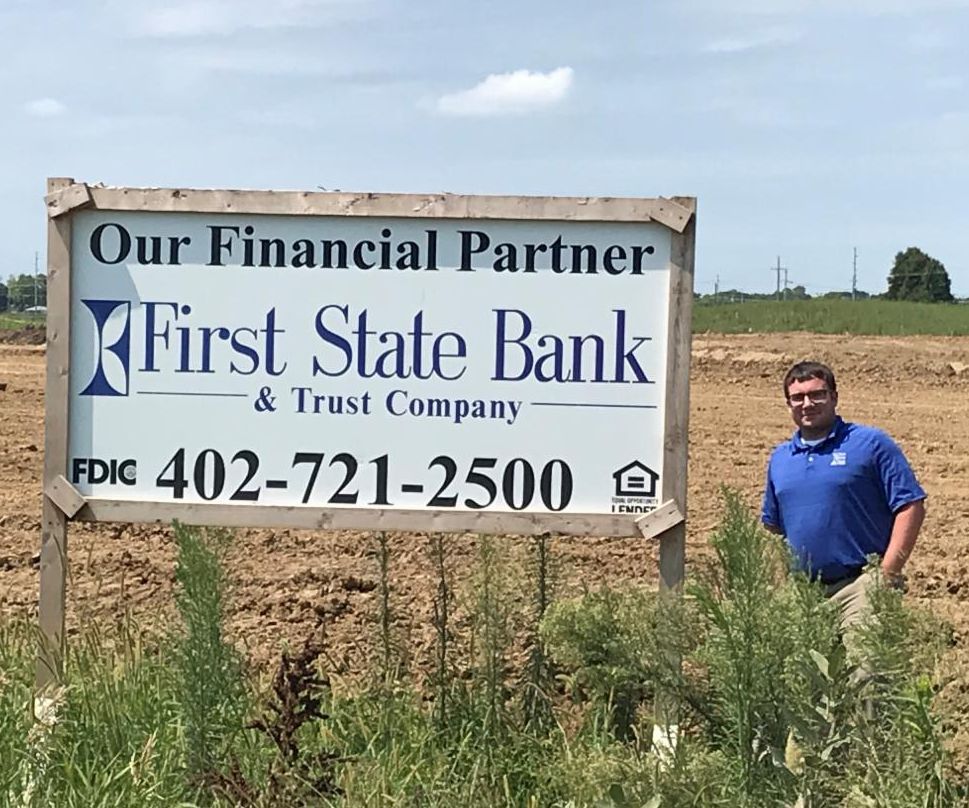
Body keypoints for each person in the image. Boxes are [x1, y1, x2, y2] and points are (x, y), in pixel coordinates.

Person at [761, 360, 926, 633]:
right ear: (788, 404)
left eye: (817, 394)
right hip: (804, 592)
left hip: (862, 584)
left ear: (834, 397)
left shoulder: (870, 444)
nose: (807, 404)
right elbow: (773, 524)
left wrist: (887, 573)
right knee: (803, 674)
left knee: (866, 671)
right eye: (798, 397)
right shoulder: (780, 458)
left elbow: (911, 506)